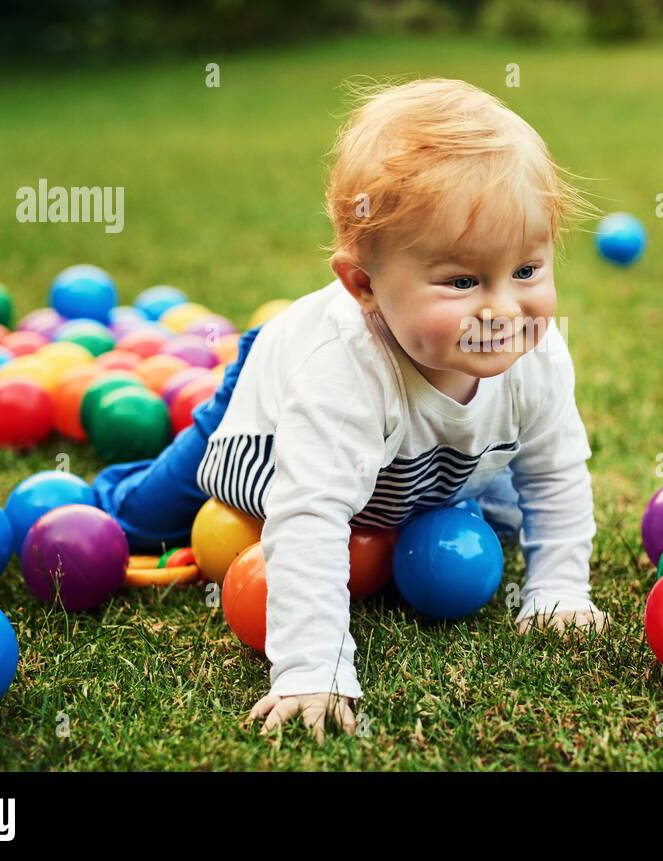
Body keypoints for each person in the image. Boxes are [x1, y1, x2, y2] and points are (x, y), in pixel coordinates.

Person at [94, 78, 608, 741]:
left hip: (413, 467)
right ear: (363, 285)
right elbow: (309, 516)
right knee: (143, 518)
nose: (505, 308)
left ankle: (420, 502)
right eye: (462, 280)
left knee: (504, 512)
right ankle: (110, 492)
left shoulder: (535, 355)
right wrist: (314, 667)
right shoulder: (342, 372)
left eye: (528, 270)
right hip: (270, 426)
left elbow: (556, 474)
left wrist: (558, 590)